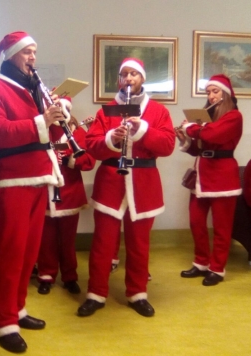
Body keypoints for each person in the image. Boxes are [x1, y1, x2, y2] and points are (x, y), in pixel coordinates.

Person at [0, 31, 66, 353]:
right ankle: (2, 324)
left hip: (39, 175)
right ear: (10, 55)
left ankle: (18, 310)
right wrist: (43, 119)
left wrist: (58, 115)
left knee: (29, 252)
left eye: (35, 52)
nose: (32, 58)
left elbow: (45, 133)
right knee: (11, 252)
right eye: (26, 52)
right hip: (12, 179)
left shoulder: (32, 89)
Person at [78, 57, 175, 318]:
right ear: (119, 80)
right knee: (102, 243)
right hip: (110, 182)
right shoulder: (106, 110)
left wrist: (142, 129)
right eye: (124, 75)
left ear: (142, 78)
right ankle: (96, 294)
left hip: (144, 183)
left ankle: (137, 293)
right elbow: (92, 145)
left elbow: (167, 145)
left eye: (134, 74)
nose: (129, 79)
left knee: (139, 244)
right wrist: (111, 138)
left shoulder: (158, 111)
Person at [176, 74, 242, 286]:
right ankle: (201, 263)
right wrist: (185, 139)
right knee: (196, 222)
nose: (211, 96)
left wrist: (191, 128)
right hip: (202, 176)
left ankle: (217, 268)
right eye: (209, 92)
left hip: (223, 177)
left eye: (216, 91)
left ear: (226, 94)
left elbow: (212, 137)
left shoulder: (234, 116)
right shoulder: (207, 120)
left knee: (222, 228)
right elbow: (200, 147)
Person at [37, 113, 96, 295]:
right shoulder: (40, 129)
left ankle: (70, 276)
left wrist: (69, 159)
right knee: (46, 239)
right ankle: (46, 276)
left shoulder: (76, 132)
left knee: (68, 240)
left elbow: (89, 161)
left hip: (70, 193)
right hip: (45, 191)